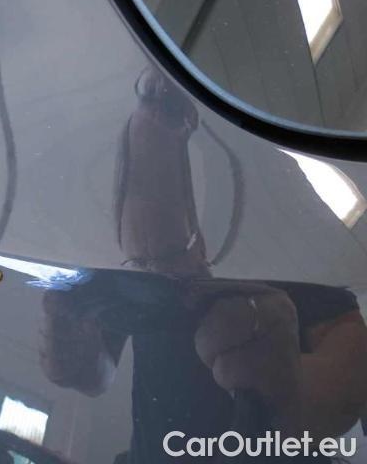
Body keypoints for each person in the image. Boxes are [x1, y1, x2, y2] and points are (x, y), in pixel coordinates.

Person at [39, 67, 367, 463]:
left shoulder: (282, 198)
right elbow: (98, 374)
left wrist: (287, 395)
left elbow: (351, 362)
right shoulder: (115, 220)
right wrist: (74, 352)